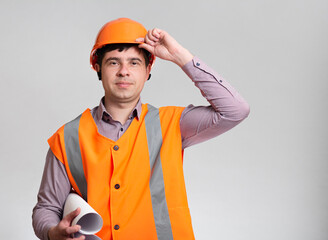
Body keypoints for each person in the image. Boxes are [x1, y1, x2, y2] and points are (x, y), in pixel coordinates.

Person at [32, 18, 250, 240]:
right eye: (113, 62)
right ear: (98, 68)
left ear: (148, 70)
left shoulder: (172, 124)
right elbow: (46, 209)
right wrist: (52, 233)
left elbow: (235, 110)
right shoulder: (67, 137)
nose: (124, 71)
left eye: (134, 63)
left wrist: (178, 55)